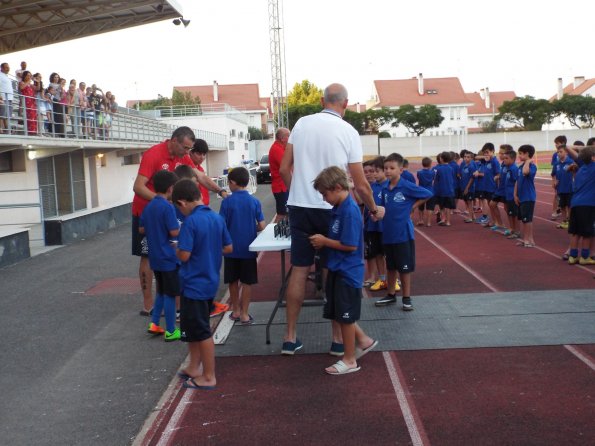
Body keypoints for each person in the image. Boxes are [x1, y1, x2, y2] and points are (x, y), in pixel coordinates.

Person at [279, 83, 384, 356]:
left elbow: (283, 168)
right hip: (331, 207)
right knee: (332, 269)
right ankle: (338, 340)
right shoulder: (348, 131)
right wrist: (373, 208)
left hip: (300, 205)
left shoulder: (301, 123)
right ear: (346, 104)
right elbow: (360, 183)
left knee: (299, 269)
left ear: (322, 100)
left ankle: (290, 337)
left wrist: (298, 192)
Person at [132, 126, 229, 317]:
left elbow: (200, 176)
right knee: (148, 256)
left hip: (169, 212)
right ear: (174, 140)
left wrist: (221, 191)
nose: (187, 153)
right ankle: (148, 305)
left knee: (171, 256)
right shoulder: (153, 155)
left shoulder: (182, 156)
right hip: (147, 212)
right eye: (185, 148)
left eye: (189, 149)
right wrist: (163, 201)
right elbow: (138, 187)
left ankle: (174, 304)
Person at [309, 166, 378, 375]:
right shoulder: (339, 208)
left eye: (325, 193)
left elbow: (350, 245)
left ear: (338, 187)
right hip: (338, 267)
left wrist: (324, 241)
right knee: (339, 311)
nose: (324, 198)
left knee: (346, 316)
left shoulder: (349, 211)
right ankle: (363, 340)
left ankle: (350, 360)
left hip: (348, 271)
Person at [173, 179, 233, 390]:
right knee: (193, 328)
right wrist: (208, 247)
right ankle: (193, 366)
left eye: (178, 208)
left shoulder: (190, 222)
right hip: (209, 281)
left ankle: (209, 376)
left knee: (201, 330)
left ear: (182, 202)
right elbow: (228, 248)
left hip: (193, 284)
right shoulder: (216, 218)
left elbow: (185, 254)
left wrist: (177, 250)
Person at [375, 153, 432, 310]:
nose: (388, 171)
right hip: (388, 233)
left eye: (392, 168)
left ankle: (406, 297)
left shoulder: (406, 186)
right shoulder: (385, 188)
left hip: (403, 235)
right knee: (391, 266)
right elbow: (381, 207)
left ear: (401, 170)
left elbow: (427, 194)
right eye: (385, 168)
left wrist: (413, 206)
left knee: (404, 268)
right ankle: (391, 294)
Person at [219, 167, 266, 324]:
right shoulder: (254, 201)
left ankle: (236, 311)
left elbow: (221, 226)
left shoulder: (227, 203)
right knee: (247, 282)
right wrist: (252, 228)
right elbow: (262, 225)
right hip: (248, 249)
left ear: (232, 182)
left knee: (233, 281)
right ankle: (245, 314)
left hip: (230, 249)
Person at [139, 170, 181, 341]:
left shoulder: (149, 206)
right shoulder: (168, 207)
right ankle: (171, 330)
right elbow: (174, 231)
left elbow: (141, 229)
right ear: (171, 188)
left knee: (161, 291)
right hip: (168, 257)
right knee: (171, 293)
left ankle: (155, 323)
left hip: (155, 257)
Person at [564, 145, 595, 265]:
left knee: (575, 231)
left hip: (575, 203)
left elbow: (575, 155)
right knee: (587, 232)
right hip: (588, 204)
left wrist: (567, 146)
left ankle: (573, 256)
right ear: (593, 158)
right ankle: (585, 257)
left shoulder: (582, 166)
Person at [514, 145, 537, 248]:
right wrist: (515, 194)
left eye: (521, 153)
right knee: (524, 219)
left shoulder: (531, 166)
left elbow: (525, 172)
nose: (519, 156)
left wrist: (527, 161)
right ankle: (527, 239)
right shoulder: (520, 167)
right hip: (521, 196)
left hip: (528, 197)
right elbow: (517, 181)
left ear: (527, 154)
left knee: (528, 220)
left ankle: (528, 239)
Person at [268, 127, 290, 222]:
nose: (290, 137)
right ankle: (272, 233)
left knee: (286, 213)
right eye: (288, 135)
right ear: (282, 138)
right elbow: (286, 165)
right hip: (280, 187)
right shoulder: (276, 149)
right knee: (281, 214)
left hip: (283, 186)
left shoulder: (281, 148)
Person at [552, 144, 575, 230]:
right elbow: (553, 174)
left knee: (570, 205)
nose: (559, 153)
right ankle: (565, 221)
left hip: (569, 188)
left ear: (566, 152)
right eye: (558, 152)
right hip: (560, 188)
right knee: (562, 206)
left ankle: (571, 221)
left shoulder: (571, 162)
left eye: (561, 152)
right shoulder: (556, 164)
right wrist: (554, 181)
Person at [502, 149, 521, 239]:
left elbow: (517, 182)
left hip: (512, 195)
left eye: (506, 158)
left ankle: (517, 231)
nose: (504, 160)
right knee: (510, 213)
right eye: (504, 158)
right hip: (508, 195)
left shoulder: (514, 169)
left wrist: (515, 194)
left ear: (513, 159)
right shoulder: (508, 168)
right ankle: (512, 229)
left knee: (515, 214)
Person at [433, 151, 455, 226]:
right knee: (448, 207)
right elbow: (452, 178)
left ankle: (443, 219)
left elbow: (436, 180)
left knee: (442, 206)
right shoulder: (451, 168)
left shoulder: (439, 169)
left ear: (441, 159)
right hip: (449, 190)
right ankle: (448, 221)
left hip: (441, 190)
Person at [188, 139, 211, 206]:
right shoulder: (186, 170)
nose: (202, 157)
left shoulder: (201, 169)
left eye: (204, 154)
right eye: (199, 154)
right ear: (190, 152)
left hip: (205, 205)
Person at [417, 156, 436, 227]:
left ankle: (421, 220)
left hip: (421, 191)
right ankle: (428, 222)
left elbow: (419, 179)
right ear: (430, 164)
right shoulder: (432, 172)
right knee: (430, 207)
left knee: (421, 206)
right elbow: (433, 179)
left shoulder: (419, 172)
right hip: (430, 191)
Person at [459, 150, 477, 223]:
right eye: (465, 157)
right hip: (463, 186)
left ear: (471, 158)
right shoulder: (464, 166)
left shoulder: (471, 167)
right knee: (466, 201)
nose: (466, 158)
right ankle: (473, 216)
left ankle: (470, 217)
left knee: (469, 202)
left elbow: (472, 178)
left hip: (469, 188)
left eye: (468, 157)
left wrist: (467, 188)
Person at [18, 71, 37, 135]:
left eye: (30, 75)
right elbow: (21, 88)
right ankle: (30, 132)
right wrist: (28, 81)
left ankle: (34, 131)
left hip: (32, 101)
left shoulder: (30, 84)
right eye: (28, 75)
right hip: (26, 101)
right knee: (29, 116)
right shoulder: (21, 82)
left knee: (34, 116)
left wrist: (37, 81)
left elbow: (37, 88)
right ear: (24, 76)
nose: (29, 77)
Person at [0, 62, 14, 134]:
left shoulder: (6, 76)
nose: (8, 68)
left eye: (8, 67)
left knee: (7, 115)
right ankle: (1, 129)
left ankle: (7, 129)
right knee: (2, 114)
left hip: (9, 98)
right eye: (6, 67)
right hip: (3, 98)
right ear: (1, 68)